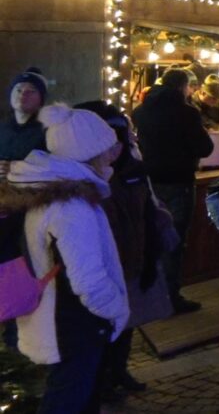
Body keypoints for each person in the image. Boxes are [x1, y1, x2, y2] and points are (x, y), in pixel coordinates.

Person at [0, 105, 129, 413]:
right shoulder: (72, 207)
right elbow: (89, 282)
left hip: (61, 321)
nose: (115, 153)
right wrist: (116, 311)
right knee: (69, 400)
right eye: (107, 147)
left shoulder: (57, 194)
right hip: (74, 326)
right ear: (90, 152)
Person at [75, 101, 175, 402]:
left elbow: (146, 206)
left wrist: (157, 233)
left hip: (136, 252)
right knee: (107, 323)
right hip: (109, 258)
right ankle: (103, 380)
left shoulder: (133, 169)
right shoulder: (88, 176)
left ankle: (119, 370)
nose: (119, 146)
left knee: (129, 318)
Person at [131, 67, 214, 314]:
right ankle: (170, 296)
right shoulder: (186, 113)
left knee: (152, 237)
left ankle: (149, 293)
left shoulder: (141, 112)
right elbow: (205, 147)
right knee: (174, 240)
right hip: (179, 181)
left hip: (150, 182)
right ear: (182, 87)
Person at [0, 67, 48, 349]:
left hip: (30, 210)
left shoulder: (45, 132)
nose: (23, 95)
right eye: (19, 89)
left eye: (30, 91)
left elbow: (49, 168)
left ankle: (25, 336)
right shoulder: (3, 127)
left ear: (40, 99)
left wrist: (20, 169)